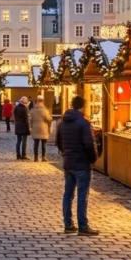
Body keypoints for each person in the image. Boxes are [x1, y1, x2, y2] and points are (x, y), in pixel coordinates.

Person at [56, 96, 99, 235]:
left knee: (68, 195)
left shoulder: (62, 123)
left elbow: (58, 142)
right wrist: (93, 159)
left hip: (68, 162)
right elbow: (89, 144)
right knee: (82, 195)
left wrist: (66, 153)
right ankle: (83, 226)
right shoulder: (83, 123)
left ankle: (68, 224)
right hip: (82, 163)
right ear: (83, 107)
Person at [30, 97, 52, 162]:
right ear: (43, 101)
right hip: (43, 129)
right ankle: (43, 157)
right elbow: (48, 119)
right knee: (43, 144)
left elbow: (30, 120)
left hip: (35, 128)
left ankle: (35, 157)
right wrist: (50, 117)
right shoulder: (45, 110)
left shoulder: (33, 110)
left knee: (36, 144)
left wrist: (31, 126)